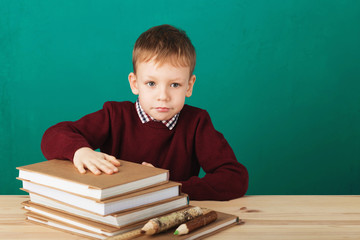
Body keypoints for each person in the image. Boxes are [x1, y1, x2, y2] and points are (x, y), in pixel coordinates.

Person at [41, 24, 248, 200]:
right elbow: (53, 135)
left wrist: (169, 187)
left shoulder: (196, 123)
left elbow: (235, 178)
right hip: (117, 213)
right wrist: (80, 151)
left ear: (189, 86)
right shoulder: (115, 116)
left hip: (170, 216)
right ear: (135, 83)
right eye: (151, 83)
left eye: (175, 85)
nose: (163, 96)